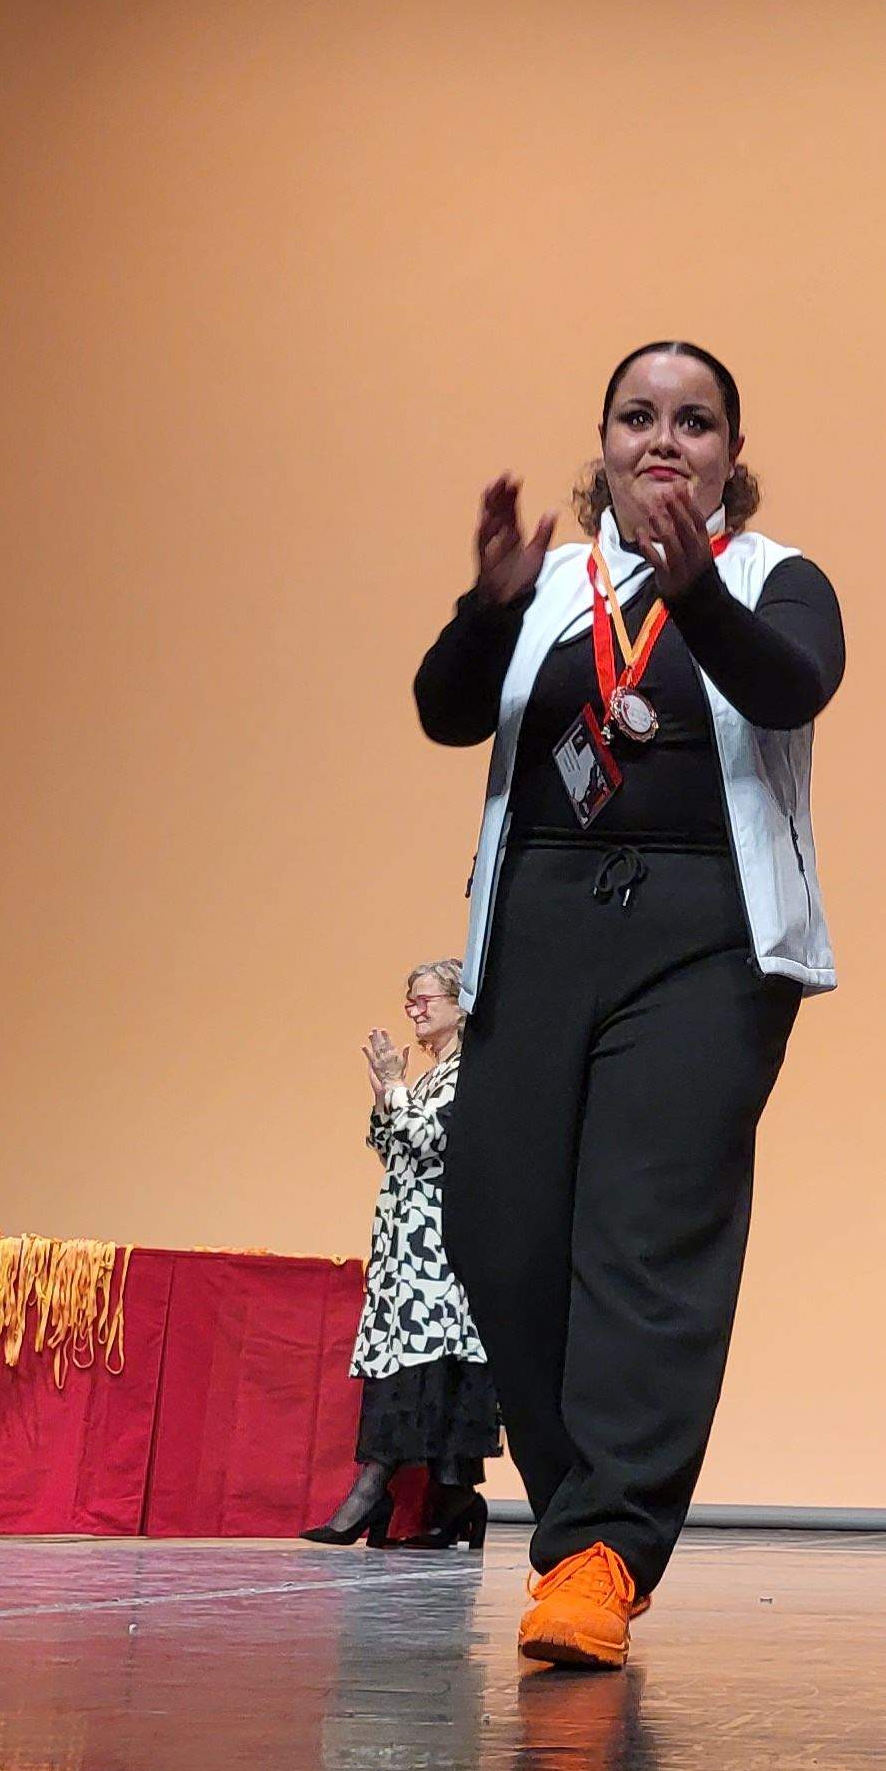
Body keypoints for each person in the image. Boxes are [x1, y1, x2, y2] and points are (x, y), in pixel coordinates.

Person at [411, 340, 844, 1668]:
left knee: (647, 1241)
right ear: (600, 444)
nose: (666, 437)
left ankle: (601, 1554)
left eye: (695, 420)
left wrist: (693, 586)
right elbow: (442, 713)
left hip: (703, 938)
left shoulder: (776, 581)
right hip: (539, 924)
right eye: (638, 416)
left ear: (731, 455)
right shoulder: (543, 588)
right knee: (503, 1232)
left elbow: (791, 685)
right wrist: (487, 609)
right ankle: (582, 1521)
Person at [305, 958, 498, 1550]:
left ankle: (396, 1493)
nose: (413, 1010)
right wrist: (386, 1092)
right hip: (406, 1246)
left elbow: (433, 1140)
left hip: (440, 1246)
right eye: (409, 1000)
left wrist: (395, 1089)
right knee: (412, 1364)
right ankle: (452, 1502)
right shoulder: (431, 1076)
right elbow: (393, 1147)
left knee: (433, 1366)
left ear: (460, 1002)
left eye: (424, 998)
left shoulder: (475, 1070)